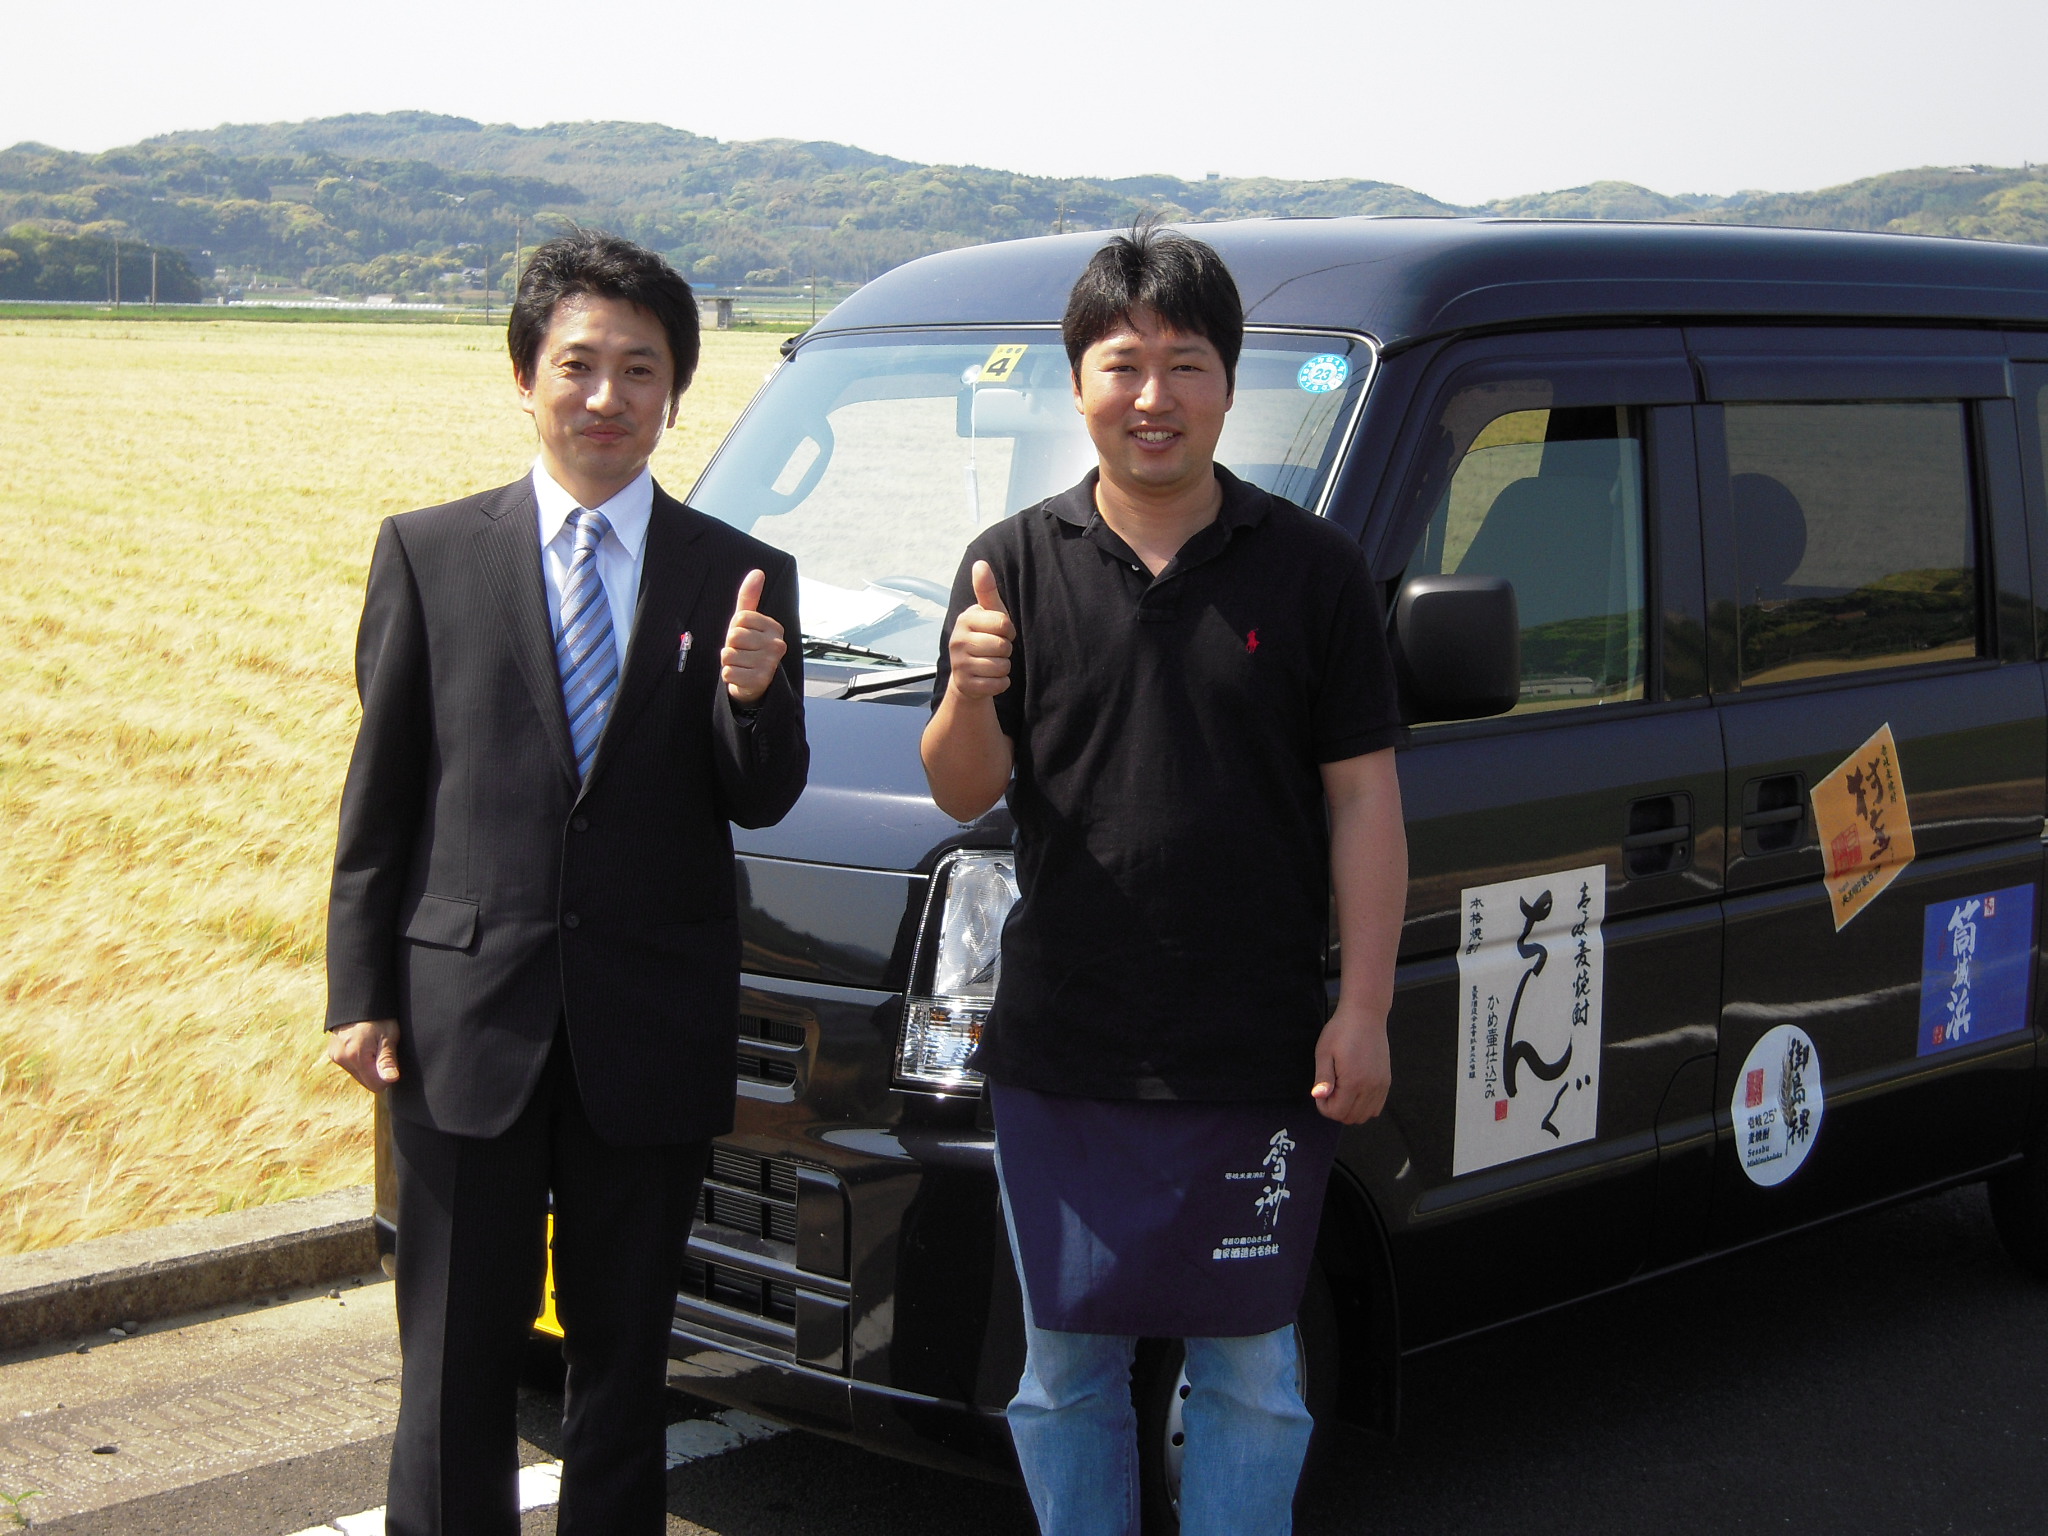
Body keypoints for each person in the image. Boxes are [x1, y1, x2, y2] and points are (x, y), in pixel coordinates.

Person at [920, 220, 1408, 1536]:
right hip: (1064, 1048)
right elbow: (962, 787)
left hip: (1257, 1048)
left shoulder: (1312, 572)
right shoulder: (1010, 563)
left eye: (1186, 365)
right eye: (1124, 366)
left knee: (1252, 1368)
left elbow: (1365, 797)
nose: (1154, 398)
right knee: (1064, 1371)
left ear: (1230, 385)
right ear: (1077, 382)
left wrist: (1361, 1008)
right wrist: (970, 691)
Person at [323, 230, 807, 1536]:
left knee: (623, 1369)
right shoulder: (430, 554)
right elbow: (384, 796)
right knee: (452, 1369)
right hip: (462, 1022)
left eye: (639, 370)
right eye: (579, 364)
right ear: (526, 375)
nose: (607, 397)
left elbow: (760, 791)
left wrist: (751, 701)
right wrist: (359, 992)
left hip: (647, 1025)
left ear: (675, 392)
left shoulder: (741, 574)